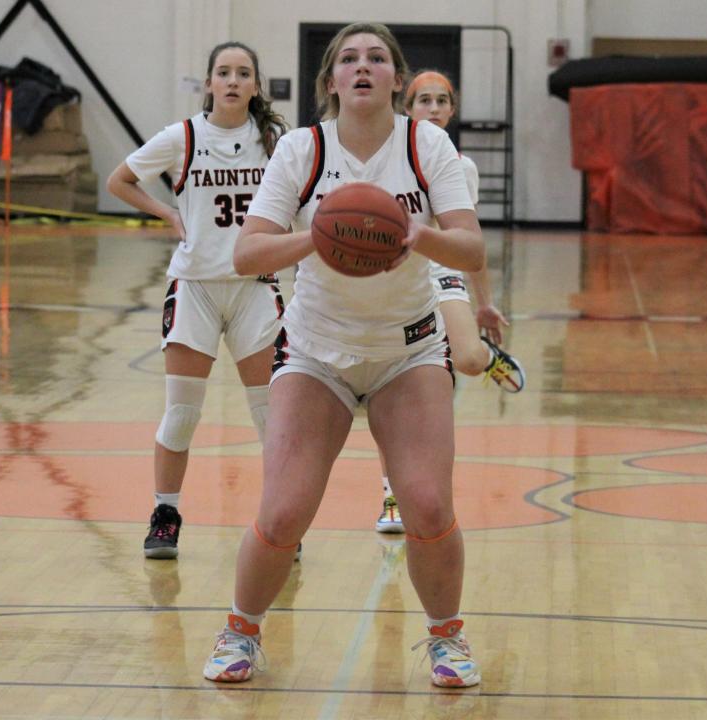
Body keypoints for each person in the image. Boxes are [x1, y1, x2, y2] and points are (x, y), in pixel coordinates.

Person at [202, 22, 483, 688]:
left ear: (395, 78)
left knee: (427, 505)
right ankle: (240, 629)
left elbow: (470, 248)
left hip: (408, 350)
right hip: (316, 350)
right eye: (349, 59)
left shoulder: (427, 144)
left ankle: (447, 639)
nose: (363, 67)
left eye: (377, 59)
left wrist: (416, 233)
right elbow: (246, 253)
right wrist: (319, 235)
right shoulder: (302, 149)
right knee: (283, 511)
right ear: (330, 82)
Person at [106, 42, 289, 560]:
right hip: (196, 289)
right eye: (223, 72)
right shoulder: (182, 136)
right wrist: (167, 214)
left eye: (243, 73)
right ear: (209, 82)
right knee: (182, 413)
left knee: (271, 417)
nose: (232, 80)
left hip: (256, 288)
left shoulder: (278, 141)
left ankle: (279, 519)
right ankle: (165, 513)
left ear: (256, 85)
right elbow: (118, 180)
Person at [374, 70, 526, 534]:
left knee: (470, 359)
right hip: (397, 279)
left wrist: (486, 304)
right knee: (390, 392)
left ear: (453, 110)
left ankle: (488, 355)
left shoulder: (462, 167)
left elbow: (469, 243)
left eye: (442, 101)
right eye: (425, 101)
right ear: (408, 108)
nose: (434, 108)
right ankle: (391, 494)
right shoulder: (387, 158)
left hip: (442, 275)